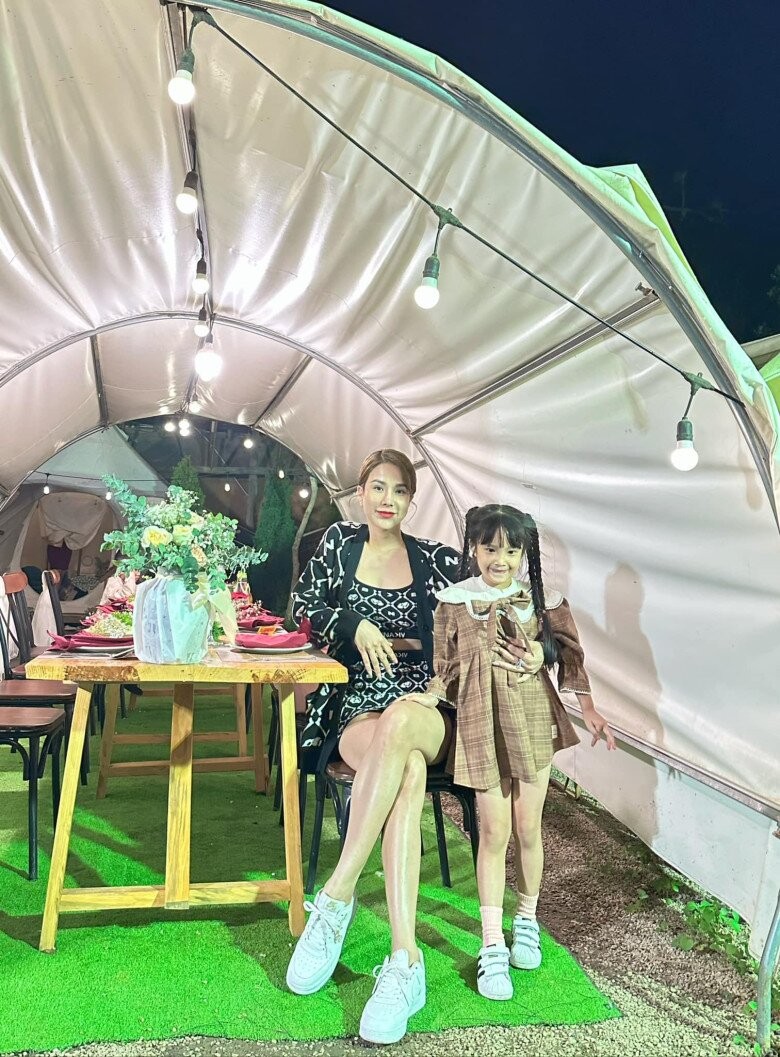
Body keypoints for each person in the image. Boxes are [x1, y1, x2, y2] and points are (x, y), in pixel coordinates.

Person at [285, 452, 529, 1044]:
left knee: (405, 730)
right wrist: (352, 624)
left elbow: (506, 588)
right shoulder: (338, 546)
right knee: (408, 772)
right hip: (359, 703)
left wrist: (535, 649)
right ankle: (404, 958)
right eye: (377, 488)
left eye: (399, 490)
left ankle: (336, 897)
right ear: (361, 493)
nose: (387, 499)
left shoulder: (438, 559)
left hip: (431, 705)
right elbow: (303, 607)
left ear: (411, 500)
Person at [400, 503, 615, 1001]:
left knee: (528, 829)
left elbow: (570, 653)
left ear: (524, 554)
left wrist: (585, 704)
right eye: (491, 548)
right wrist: (429, 696)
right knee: (493, 833)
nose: (501, 559)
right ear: (474, 549)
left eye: (512, 551)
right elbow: (445, 667)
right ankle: (492, 942)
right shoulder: (455, 601)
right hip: (480, 727)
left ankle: (527, 920)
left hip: (533, 721)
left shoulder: (543, 601)